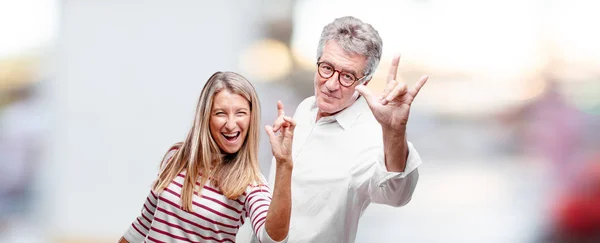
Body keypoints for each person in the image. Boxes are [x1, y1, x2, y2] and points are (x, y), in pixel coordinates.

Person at [251, 16, 428, 242]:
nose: (332, 85)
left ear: (365, 82)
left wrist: (395, 132)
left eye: (347, 76)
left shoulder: (369, 137)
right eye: (327, 68)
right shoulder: (305, 109)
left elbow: (398, 194)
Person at [119, 71, 296, 243]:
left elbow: (272, 239)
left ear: (251, 118)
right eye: (220, 113)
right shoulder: (177, 158)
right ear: (206, 117)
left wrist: (284, 162)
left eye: (240, 113)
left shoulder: (251, 182)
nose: (231, 124)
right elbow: (141, 226)